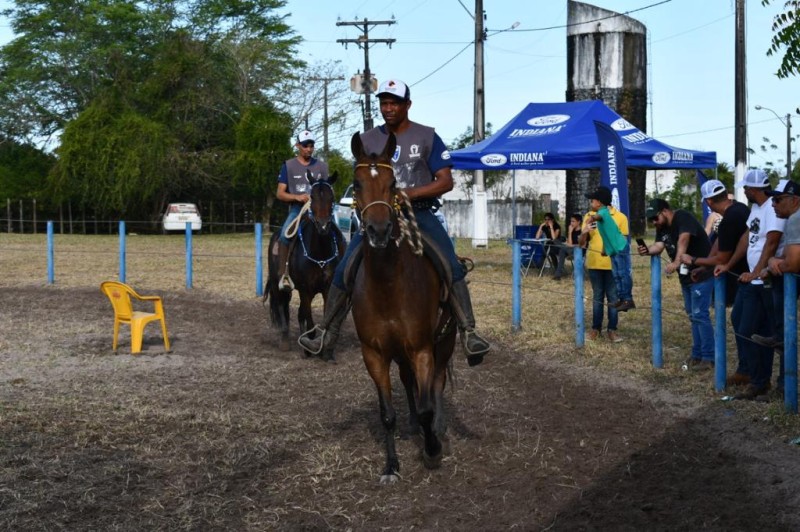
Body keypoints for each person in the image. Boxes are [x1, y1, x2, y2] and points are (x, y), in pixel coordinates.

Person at [298, 79, 491, 363]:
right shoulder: (367, 140)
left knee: (449, 263)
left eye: (394, 103)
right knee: (345, 269)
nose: (387, 109)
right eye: (383, 103)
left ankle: (469, 332)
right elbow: (363, 181)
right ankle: (326, 332)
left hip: (420, 213)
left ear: (407, 105)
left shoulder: (427, 137)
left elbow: (446, 181)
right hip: (377, 218)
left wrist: (409, 193)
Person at [717, 169, 784, 400]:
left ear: (754, 189)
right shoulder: (756, 208)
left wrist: (757, 272)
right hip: (752, 278)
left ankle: (759, 381)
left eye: (745, 187)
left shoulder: (772, 208)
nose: (743, 191)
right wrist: (729, 264)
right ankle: (750, 373)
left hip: (763, 279)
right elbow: (748, 237)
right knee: (740, 322)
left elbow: (772, 241)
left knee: (755, 331)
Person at [638, 198, 715, 370]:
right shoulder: (662, 227)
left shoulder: (683, 217)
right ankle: (697, 354)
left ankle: (709, 357)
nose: (654, 222)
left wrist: (676, 261)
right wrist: (647, 250)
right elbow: (659, 246)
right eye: (651, 220)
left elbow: (683, 240)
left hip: (702, 274)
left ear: (665, 211)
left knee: (700, 315)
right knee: (692, 315)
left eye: (655, 218)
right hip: (686, 278)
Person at [752, 179, 800, 398]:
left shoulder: (795, 219)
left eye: (778, 199)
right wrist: (776, 261)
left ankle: (781, 336)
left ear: (795, 200)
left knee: (781, 279)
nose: (773, 204)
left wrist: (772, 263)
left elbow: (792, 264)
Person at [274, 130, 329, 291]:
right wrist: (297, 197)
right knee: (285, 234)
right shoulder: (288, 166)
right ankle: (283, 274)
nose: (309, 149)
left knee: (337, 235)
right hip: (298, 210)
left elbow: (327, 190)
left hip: (320, 211)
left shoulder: (322, 166)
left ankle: (339, 272)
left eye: (311, 146)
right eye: (305, 146)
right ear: (298, 146)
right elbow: (280, 193)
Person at [582, 186, 635, 312]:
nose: (591, 203)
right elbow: (607, 235)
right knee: (616, 275)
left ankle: (628, 299)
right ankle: (622, 299)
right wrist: (605, 249)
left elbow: (599, 217)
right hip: (613, 250)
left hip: (620, 247)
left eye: (592, 200)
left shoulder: (603, 212)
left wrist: (592, 218)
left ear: (599, 202)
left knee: (622, 273)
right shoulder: (603, 213)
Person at [580, 210, 622, 342]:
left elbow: (623, 242)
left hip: (613, 265)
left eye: (594, 200)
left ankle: (612, 330)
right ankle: (595, 329)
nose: (591, 203)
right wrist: (585, 231)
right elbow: (581, 243)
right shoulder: (588, 216)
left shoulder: (620, 217)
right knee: (597, 297)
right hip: (594, 264)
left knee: (613, 298)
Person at [553, 213, 582, 281]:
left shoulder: (582, 231)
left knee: (558, 245)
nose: (571, 223)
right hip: (569, 249)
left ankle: (558, 274)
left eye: (573, 221)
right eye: (571, 221)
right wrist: (570, 232)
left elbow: (582, 245)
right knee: (562, 250)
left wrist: (571, 245)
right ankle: (558, 275)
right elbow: (569, 243)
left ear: (579, 222)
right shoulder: (572, 231)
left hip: (578, 251)